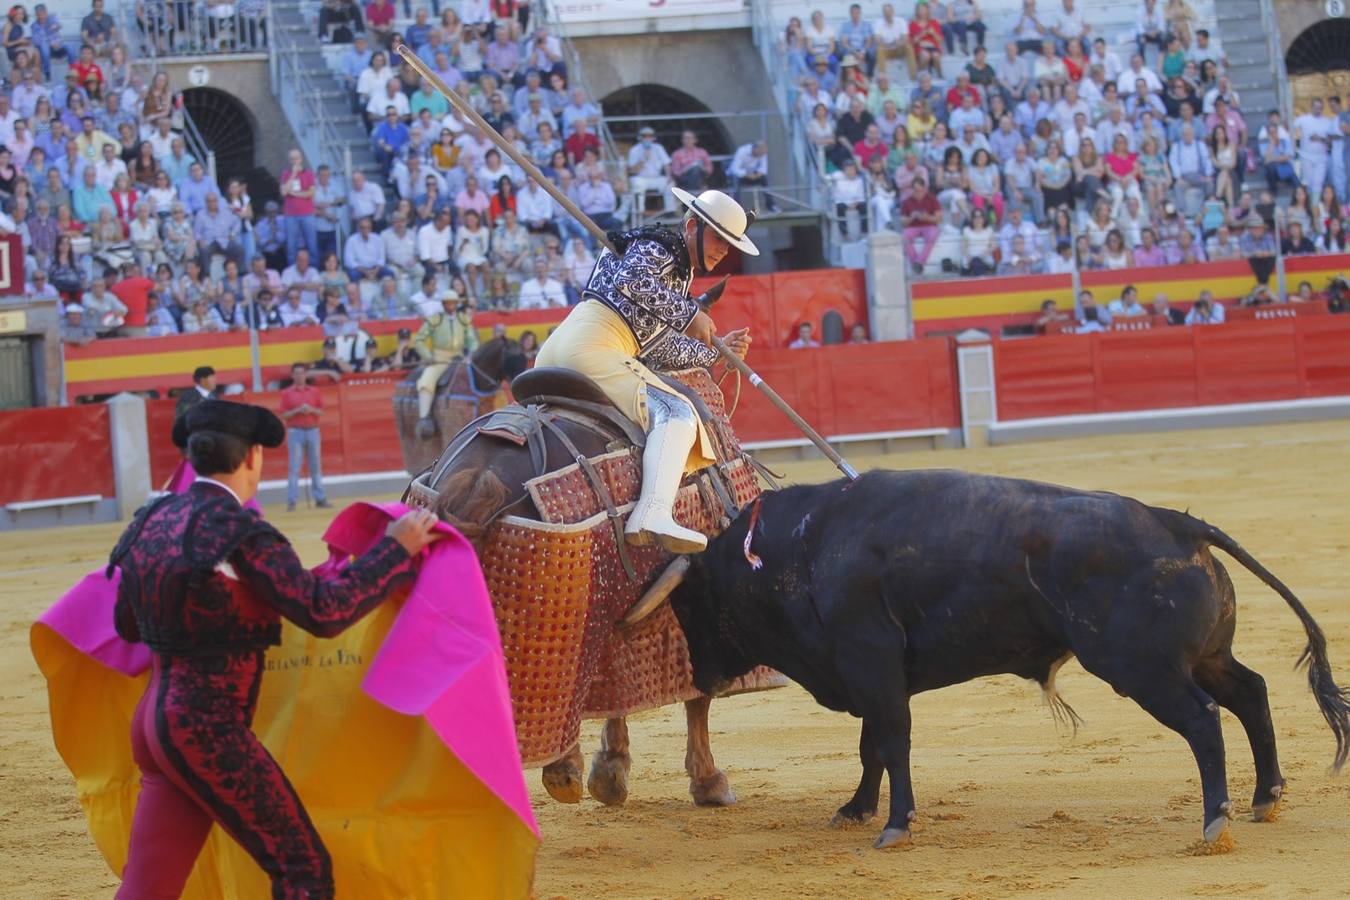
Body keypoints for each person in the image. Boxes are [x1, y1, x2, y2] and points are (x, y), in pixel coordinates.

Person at [109, 400, 439, 900]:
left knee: (150, 885)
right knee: (303, 870)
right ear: (253, 459)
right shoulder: (240, 533)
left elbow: (127, 624)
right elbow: (324, 611)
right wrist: (394, 550)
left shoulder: (151, 520)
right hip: (205, 731)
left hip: (153, 724)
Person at [533, 187, 754, 553]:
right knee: (677, 412)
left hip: (563, 348)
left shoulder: (672, 272)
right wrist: (689, 315)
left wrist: (716, 353)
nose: (723, 251)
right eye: (718, 237)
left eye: (729, 245)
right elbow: (632, 281)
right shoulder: (661, 246)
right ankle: (652, 512)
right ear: (691, 226)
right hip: (593, 348)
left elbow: (656, 348)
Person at [412, 289, 479, 437]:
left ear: (456, 304)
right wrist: (428, 356)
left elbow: (472, 340)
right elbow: (419, 340)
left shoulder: (463, 319)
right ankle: (424, 418)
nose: (450, 306)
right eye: (447, 303)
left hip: (459, 358)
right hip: (439, 359)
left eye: (453, 303)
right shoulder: (435, 319)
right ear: (443, 304)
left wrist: (470, 354)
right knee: (426, 380)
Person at [278, 364, 330, 511]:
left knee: (316, 467)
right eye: (297, 374)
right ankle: (292, 500)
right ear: (293, 376)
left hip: (313, 431)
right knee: (294, 468)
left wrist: (311, 410)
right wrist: (298, 411)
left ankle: (320, 499)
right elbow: (283, 414)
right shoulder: (286, 393)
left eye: (302, 373)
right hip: (295, 432)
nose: (299, 376)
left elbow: (321, 411)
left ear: (306, 375)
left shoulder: (314, 391)